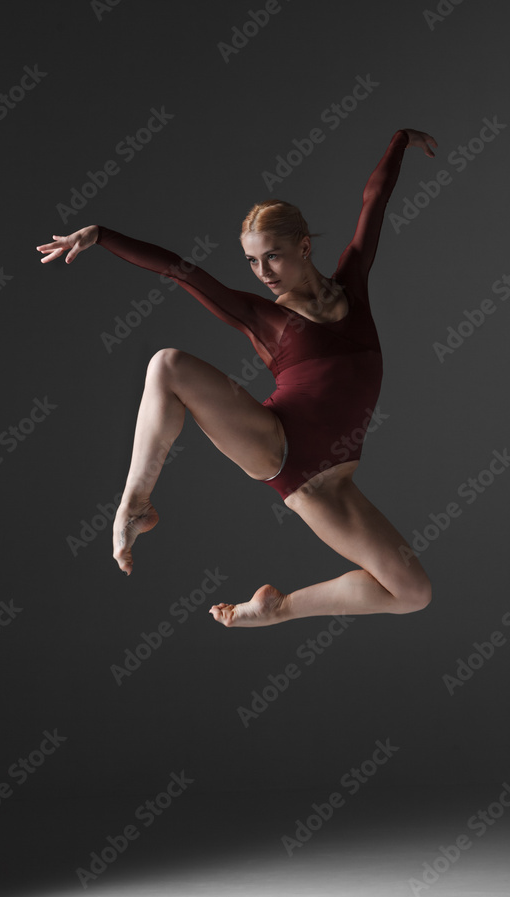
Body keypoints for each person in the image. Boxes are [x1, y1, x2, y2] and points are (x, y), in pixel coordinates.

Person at [36, 127, 437, 628]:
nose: (262, 271)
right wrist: (100, 235)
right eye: (251, 260)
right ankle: (135, 505)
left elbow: (374, 202)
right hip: (279, 446)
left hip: (332, 485)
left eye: (272, 255)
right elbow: (181, 271)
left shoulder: (353, 283)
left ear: (305, 246)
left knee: (412, 592)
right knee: (167, 364)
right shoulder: (262, 318)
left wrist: (399, 141)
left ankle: (278, 609)